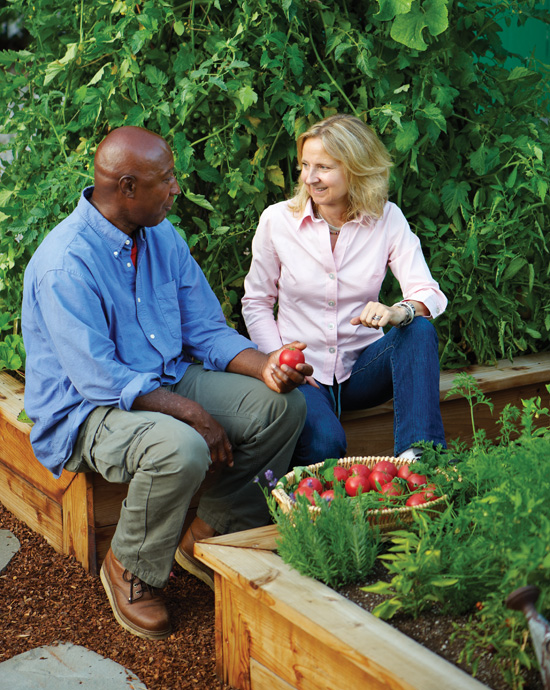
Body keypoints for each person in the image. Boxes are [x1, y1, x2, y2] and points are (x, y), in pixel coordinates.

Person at [21, 126, 312, 641]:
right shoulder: (65, 263)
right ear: (127, 187)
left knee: (279, 407)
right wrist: (194, 415)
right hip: (88, 409)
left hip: (165, 378)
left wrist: (265, 366)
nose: (177, 188)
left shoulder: (161, 236)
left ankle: (211, 537)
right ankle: (129, 567)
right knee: (180, 447)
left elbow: (205, 329)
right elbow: (100, 378)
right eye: (166, 180)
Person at [242, 113, 447, 467]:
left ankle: (420, 462)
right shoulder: (277, 221)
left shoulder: (387, 219)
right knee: (325, 444)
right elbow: (257, 302)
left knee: (418, 330)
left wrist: (399, 311)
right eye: (305, 165)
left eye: (323, 167)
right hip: (303, 373)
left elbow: (427, 290)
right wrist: (278, 360)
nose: (309, 177)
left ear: (355, 168)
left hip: (361, 371)